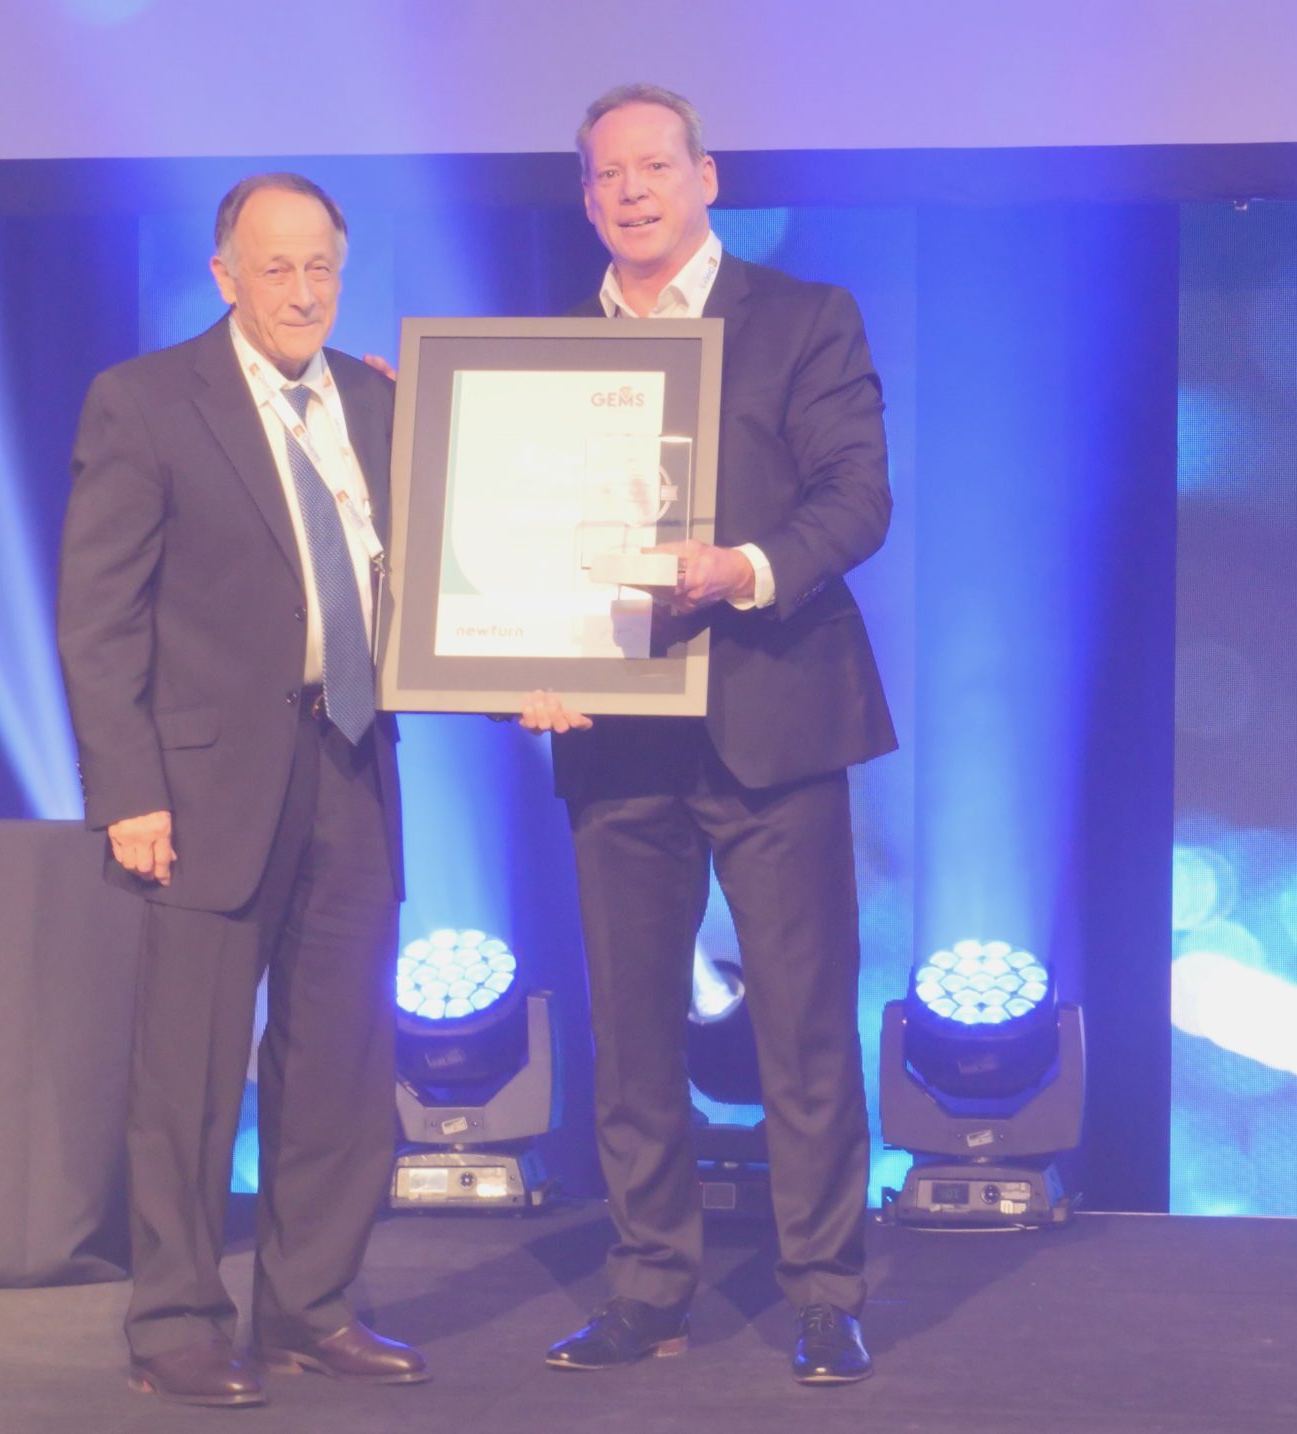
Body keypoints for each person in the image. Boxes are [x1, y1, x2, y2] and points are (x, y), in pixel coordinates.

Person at [526, 84, 896, 1387]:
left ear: (706, 176)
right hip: (617, 730)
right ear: (586, 198)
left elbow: (858, 499)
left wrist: (741, 566)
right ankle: (648, 1287)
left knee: (803, 1026)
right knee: (631, 1033)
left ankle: (826, 1292)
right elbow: (515, 541)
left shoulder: (801, 318)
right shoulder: (545, 358)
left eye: (654, 166)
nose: (631, 190)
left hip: (774, 716)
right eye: (607, 174)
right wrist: (517, 650)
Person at [56, 171, 425, 1409]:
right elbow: (99, 615)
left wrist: (528, 671)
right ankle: (174, 1322)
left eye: (321, 266)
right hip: (202, 787)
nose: (302, 291)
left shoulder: (378, 401)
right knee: (191, 1075)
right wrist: (128, 790)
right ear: (224, 276)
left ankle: (309, 1309)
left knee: (340, 1063)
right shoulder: (147, 401)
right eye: (276, 268)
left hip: (352, 762)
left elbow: (441, 583)